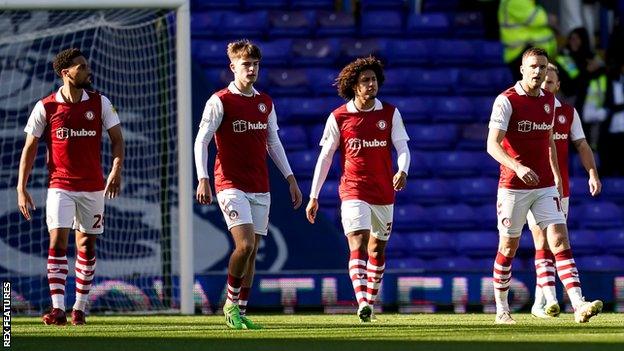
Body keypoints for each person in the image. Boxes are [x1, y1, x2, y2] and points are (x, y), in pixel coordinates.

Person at [486, 47, 602, 324]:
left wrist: (556, 178)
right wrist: (517, 166)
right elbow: (492, 144)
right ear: (523, 70)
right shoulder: (506, 100)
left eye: (542, 66)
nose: (538, 72)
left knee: (560, 239)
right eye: (534, 67)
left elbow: (549, 141)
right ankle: (502, 309)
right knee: (508, 247)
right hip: (513, 185)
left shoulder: (549, 101)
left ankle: (578, 304)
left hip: (545, 186)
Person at [194, 39, 302, 330]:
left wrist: (290, 178)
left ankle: (240, 310)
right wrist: (203, 177)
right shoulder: (220, 101)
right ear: (233, 67)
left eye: (255, 64)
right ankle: (230, 303)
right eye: (246, 64)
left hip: (260, 185)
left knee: (252, 252)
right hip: (229, 184)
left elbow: (273, 142)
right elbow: (201, 141)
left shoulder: (265, 102)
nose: (251, 68)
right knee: (245, 245)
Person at [17, 48, 124, 326]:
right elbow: (30, 148)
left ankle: (79, 307)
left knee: (86, 245)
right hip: (59, 185)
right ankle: (58, 309)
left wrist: (115, 170)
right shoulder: (47, 106)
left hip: (92, 187)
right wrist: (21, 187)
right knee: (57, 241)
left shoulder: (100, 103)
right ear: (67, 73)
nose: (88, 70)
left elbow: (117, 140)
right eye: (82, 66)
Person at [305, 56, 410, 323]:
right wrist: (314, 195)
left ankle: (369, 304)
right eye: (365, 80)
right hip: (353, 190)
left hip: (384, 192)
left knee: (377, 250)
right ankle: (363, 301)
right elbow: (325, 157)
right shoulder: (339, 117)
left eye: (373, 79)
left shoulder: (390, 113)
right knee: (358, 241)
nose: (371, 84)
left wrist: (402, 169)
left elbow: (403, 148)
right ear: (354, 86)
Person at [527, 63, 602, 318]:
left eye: (550, 82)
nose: (545, 85)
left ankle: (540, 304)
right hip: (535, 186)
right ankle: (551, 300)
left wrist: (592, 173)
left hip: (562, 190)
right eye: (542, 81)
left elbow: (581, 144)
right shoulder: (531, 110)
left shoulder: (567, 113)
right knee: (544, 241)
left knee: (554, 244)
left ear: (557, 86)